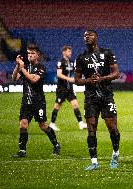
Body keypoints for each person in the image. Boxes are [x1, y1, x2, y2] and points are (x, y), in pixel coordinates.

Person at [75, 30, 120, 170]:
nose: (87, 37)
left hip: (106, 96)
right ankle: (94, 162)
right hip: (90, 98)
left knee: (112, 127)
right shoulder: (81, 57)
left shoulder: (107, 53)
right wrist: (89, 80)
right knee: (91, 128)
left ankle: (115, 154)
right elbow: (77, 80)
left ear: (96, 38)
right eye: (85, 36)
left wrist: (102, 79)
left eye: (90, 35)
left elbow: (116, 73)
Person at [11, 44, 60, 158]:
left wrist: (22, 68)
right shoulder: (25, 67)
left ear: (38, 55)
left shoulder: (41, 67)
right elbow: (14, 78)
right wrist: (18, 65)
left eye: (32, 53)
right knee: (23, 124)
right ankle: (22, 151)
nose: (30, 55)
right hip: (26, 101)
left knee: (42, 125)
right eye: (28, 53)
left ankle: (56, 144)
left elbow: (34, 80)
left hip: (38, 102)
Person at [49, 45, 87, 131]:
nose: (70, 53)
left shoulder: (71, 62)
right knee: (57, 105)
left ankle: (81, 124)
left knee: (75, 104)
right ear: (64, 52)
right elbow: (59, 74)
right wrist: (69, 79)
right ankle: (52, 124)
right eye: (69, 51)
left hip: (70, 88)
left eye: (70, 51)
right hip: (62, 88)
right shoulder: (61, 62)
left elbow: (76, 72)